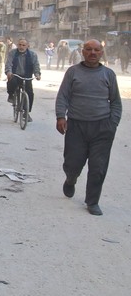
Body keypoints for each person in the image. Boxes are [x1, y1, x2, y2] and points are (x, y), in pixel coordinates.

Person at [55, 40, 122, 216]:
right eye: (89, 49)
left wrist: (112, 124)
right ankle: (71, 179)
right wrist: (61, 116)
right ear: (82, 52)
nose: (93, 53)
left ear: (101, 53)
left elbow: (116, 102)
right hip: (76, 126)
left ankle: (92, 201)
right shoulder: (73, 72)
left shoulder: (109, 74)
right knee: (72, 163)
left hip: (102, 128)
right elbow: (63, 96)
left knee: (98, 167)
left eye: (96, 50)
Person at [5, 39, 41, 119]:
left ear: (27, 46)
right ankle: (11, 95)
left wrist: (37, 74)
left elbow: (36, 65)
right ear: (18, 45)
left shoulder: (32, 55)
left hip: (27, 76)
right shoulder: (13, 53)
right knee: (12, 82)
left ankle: (26, 112)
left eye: (23, 45)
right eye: (20, 45)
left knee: (30, 93)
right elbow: (9, 63)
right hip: (15, 75)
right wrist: (9, 72)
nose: (21, 47)